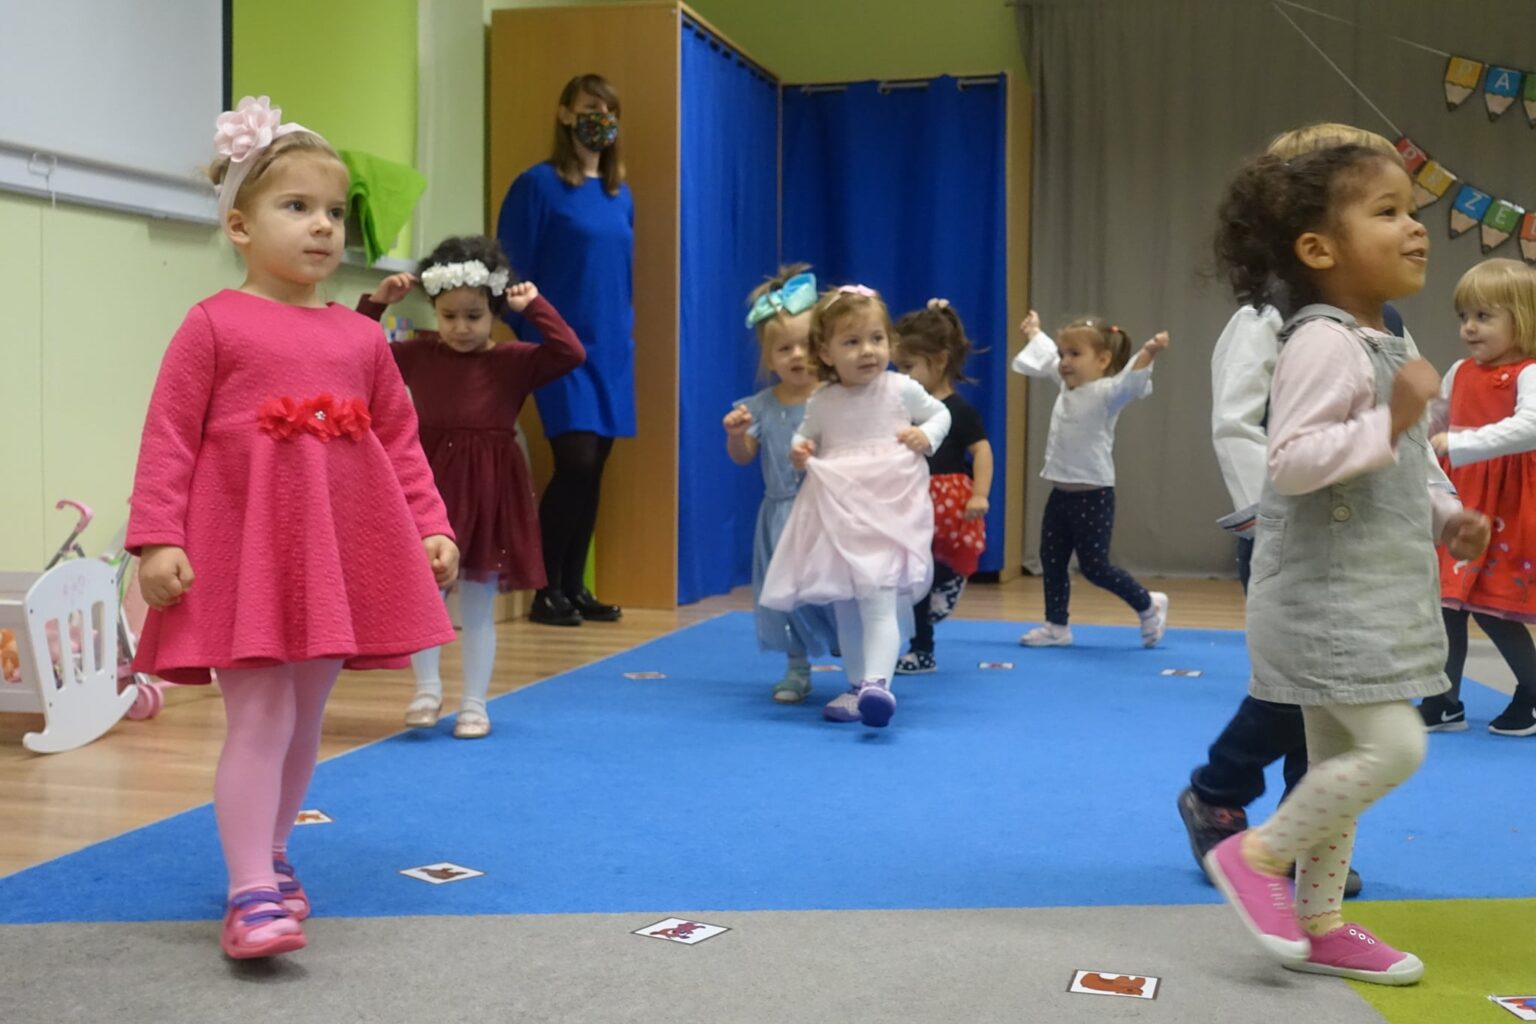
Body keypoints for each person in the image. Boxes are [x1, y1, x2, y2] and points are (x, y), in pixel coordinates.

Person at [128, 96, 459, 958]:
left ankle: (273, 856)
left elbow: (399, 440)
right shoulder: (212, 324)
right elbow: (167, 438)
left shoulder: (359, 339)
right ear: (239, 225)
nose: (322, 228)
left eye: (334, 212)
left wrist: (430, 524)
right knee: (261, 716)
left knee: (306, 717)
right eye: (297, 207)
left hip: (334, 554)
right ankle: (247, 894)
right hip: (244, 560)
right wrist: (157, 537)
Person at [1204, 141, 1489, 984]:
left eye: (1415, 211)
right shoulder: (1323, 342)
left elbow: (1400, 467)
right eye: (1389, 212)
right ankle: (1254, 855)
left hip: (1370, 588)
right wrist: (1396, 419)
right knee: (1397, 747)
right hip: (1328, 601)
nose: (1417, 230)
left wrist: (1446, 516)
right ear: (1318, 250)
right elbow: (1290, 462)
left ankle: (1321, 921)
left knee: (1335, 766)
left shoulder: (1385, 341)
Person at [1180, 124, 1409, 892]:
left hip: (1364, 534)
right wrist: (1258, 513)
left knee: (1342, 697)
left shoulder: (1381, 318)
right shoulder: (1266, 316)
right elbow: (1237, 418)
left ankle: (1308, 834)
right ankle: (1219, 794)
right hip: (1289, 527)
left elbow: (1397, 426)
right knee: (1298, 689)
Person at [359, 235, 585, 738]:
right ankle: (426, 690)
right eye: (449, 316)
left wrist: (537, 307)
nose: (461, 327)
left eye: (474, 315)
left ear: (495, 312)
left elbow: (570, 352)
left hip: (490, 489)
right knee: (426, 593)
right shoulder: (416, 355)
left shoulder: (515, 360)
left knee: (479, 602)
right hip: (430, 484)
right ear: (434, 312)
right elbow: (354, 346)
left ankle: (475, 703)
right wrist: (378, 302)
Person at [761, 286, 951, 727]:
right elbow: (806, 434)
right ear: (825, 352)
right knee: (847, 604)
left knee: (879, 600)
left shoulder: (900, 389)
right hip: (838, 515)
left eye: (876, 339)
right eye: (852, 342)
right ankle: (855, 686)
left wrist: (927, 436)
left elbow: (940, 415)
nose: (867, 351)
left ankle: (878, 685)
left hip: (886, 511)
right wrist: (800, 447)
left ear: (890, 343)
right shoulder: (822, 400)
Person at [497, 73, 633, 626]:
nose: (600, 116)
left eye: (609, 108)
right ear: (564, 113)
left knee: (595, 465)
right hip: (560, 344)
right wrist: (532, 334)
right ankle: (544, 588)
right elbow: (507, 272)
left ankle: (574, 587)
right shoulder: (536, 184)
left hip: (611, 347)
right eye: (589, 106)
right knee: (573, 459)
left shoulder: (619, 193)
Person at [1422, 257, 1536, 736]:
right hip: (1461, 503)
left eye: (1483, 316)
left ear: (1523, 317)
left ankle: (1532, 690)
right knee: (1446, 602)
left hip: (1506, 510)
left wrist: (1462, 444)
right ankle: (1444, 698)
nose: (1469, 327)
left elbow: (1531, 427)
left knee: (1492, 607)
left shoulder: (1528, 372)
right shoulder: (1459, 370)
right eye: (1464, 316)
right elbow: (1434, 421)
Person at [1012, 313, 1170, 648]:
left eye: (1075, 354)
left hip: (1093, 496)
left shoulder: (1106, 393)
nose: (1065, 362)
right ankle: (1057, 626)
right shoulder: (1064, 383)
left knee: (1095, 567)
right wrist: (1036, 332)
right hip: (1060, 494)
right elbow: (1045, 358)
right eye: (1064, 354)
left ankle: (1148, 603)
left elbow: (1131, 382)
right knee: (1051, 561)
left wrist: (1149, 352)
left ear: (1102, 360)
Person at [724, 265, 840, 703]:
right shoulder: (761, 406)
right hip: (781, 515)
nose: (797, 356)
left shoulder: (834, 399)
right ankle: (796, 667)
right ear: (768, 358)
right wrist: (736, 436)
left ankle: (860, 658)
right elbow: (743, 457)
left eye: (806, 346)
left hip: (827, 514)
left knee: (834, 591)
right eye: (784, 349)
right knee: (786, 596)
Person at [891, 299, 993, 673]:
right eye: (896, 367)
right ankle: (921, 649)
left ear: (940, 361)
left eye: (908, 367)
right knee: (914, 574)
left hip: (948, 500)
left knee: (944, 561)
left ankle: (950, 580)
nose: (900, 376)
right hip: (911, 499)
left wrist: (980, 493)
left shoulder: (958, 410)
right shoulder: (901, 406)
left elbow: (981, 451)